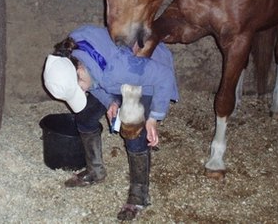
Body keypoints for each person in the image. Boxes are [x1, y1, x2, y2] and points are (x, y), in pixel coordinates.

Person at [42, 24, 179, 221]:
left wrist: (153, 118)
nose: (82, 92)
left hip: (145, 75)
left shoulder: (118, 69)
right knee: (85, 115)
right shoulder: (72, 52)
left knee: (132, 131)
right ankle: (95, 170)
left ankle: (139, 195)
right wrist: (110, 101)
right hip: (113, 73)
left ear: (79, 69)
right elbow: (95, 78)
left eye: (78, 87)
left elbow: (163, 76)